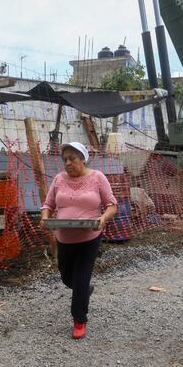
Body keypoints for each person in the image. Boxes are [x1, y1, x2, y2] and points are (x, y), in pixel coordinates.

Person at [40, 142, 118, 339]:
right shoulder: (59, 179)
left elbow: (112, 205)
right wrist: (45, 218)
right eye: (65, 159)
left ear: (83, 159)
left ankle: (79, 320)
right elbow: (48, 204)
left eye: (72, 159)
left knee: (81, 278)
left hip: (89, 237)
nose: (68, 163)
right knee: (67, 277)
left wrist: (103, 218)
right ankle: (84, 289)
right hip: (64, 238)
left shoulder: (97, 178)